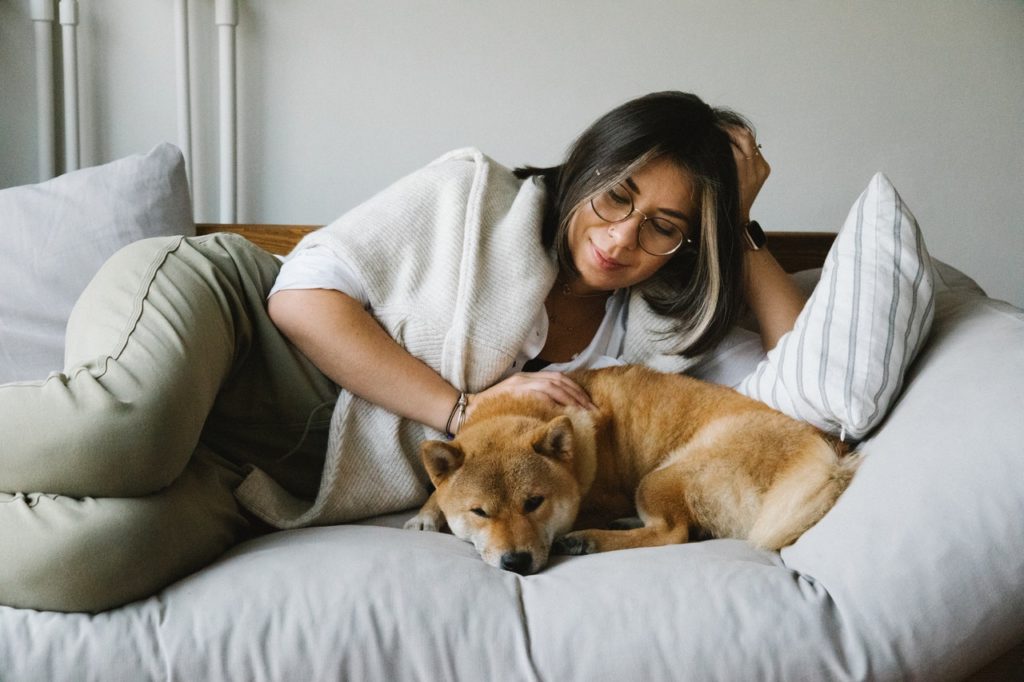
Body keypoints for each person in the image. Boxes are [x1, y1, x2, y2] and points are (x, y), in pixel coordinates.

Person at [0, 91, 805, 613]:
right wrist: (459, 409)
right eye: (617, 194)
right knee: (125, 433)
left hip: (271, 477)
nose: (623, 235)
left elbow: (806, 376)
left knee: (81, 565)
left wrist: (733, 219)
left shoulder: (652, 336)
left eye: (666, 224)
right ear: (588, 168)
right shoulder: (474, 196)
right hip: (235, 329)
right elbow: (300, 298)